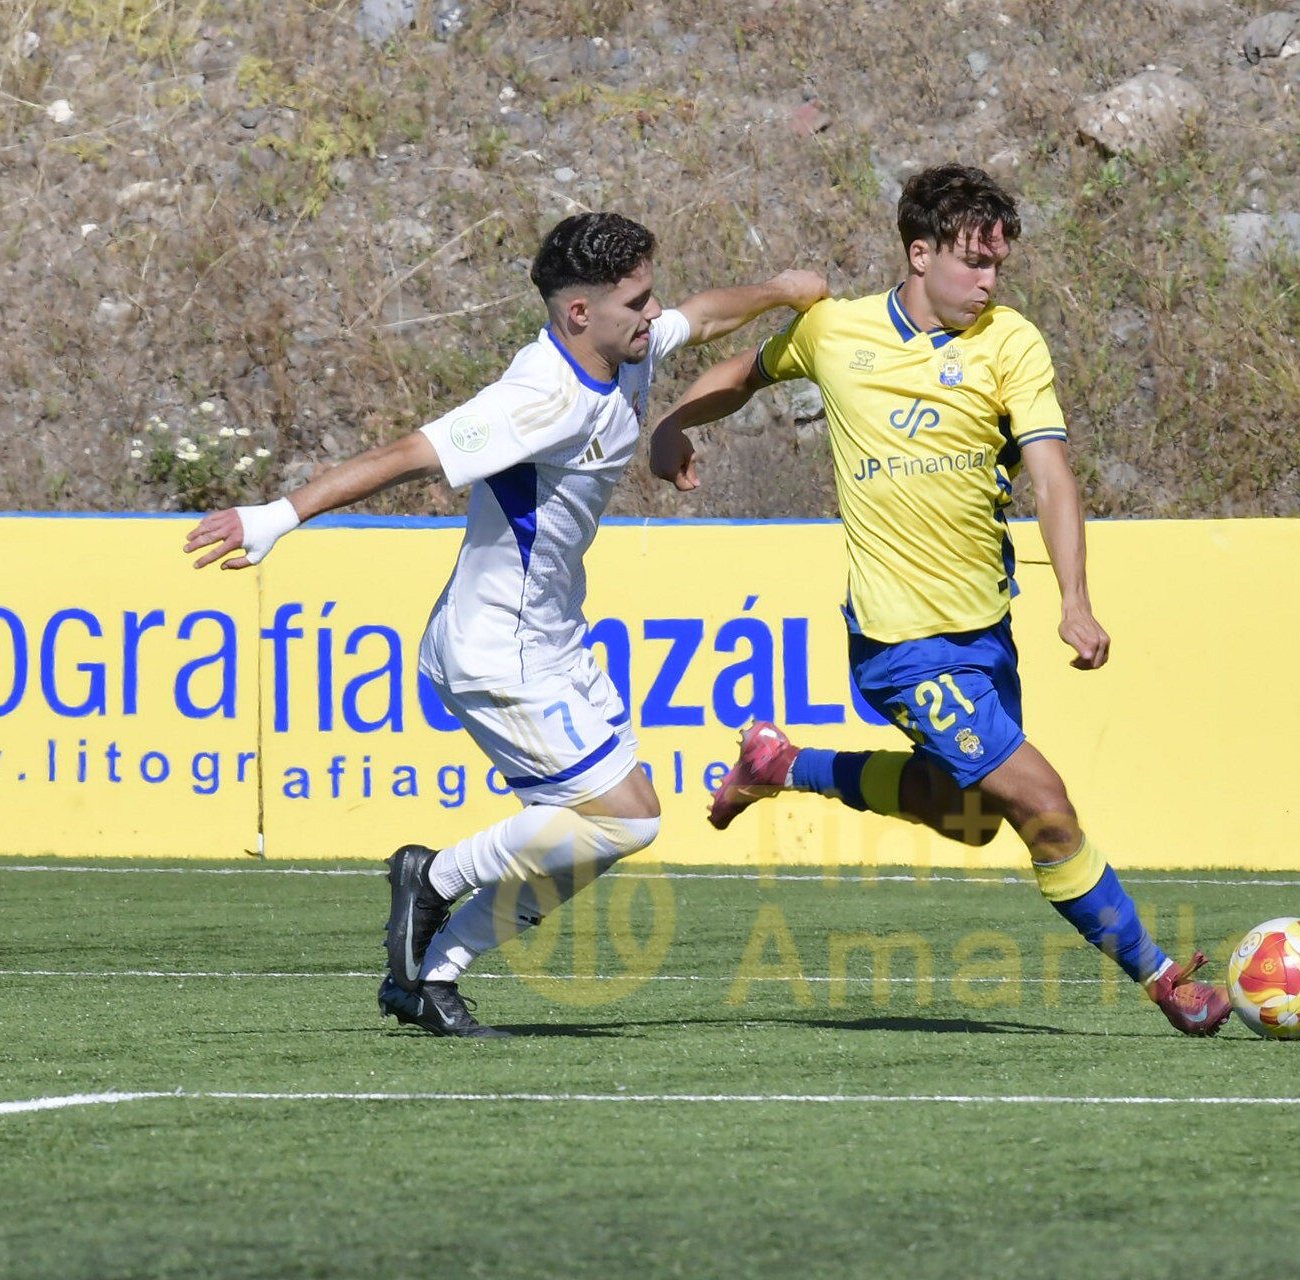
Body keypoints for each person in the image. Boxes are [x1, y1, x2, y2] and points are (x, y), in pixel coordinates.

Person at [187, 212, 827, 1037]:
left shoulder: (624, 345)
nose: (653, 312)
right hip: (499, 648)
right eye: (637, 301)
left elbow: (701, 318)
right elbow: (410, 454)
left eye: (649, 295)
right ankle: (434, 875)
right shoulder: (539, 396)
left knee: (593, 835)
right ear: (579, 313)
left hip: (554, 639)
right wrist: (278, 515)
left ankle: (432, 977)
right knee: (628, 817)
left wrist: (781, 290)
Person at [648, 165, 1229, 1035]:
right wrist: (671, 425)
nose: (988, 282)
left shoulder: (1011, 342)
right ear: (919, 254)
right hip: (900, 645)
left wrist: (1074, 598)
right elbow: (744, 369)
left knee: (968, 821)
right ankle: (1162, 979)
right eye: (973, 263)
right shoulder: (836, 331)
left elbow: (1051, 476)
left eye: (998, 266)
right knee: (1043, 804)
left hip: (984, 635)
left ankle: (782, 765)